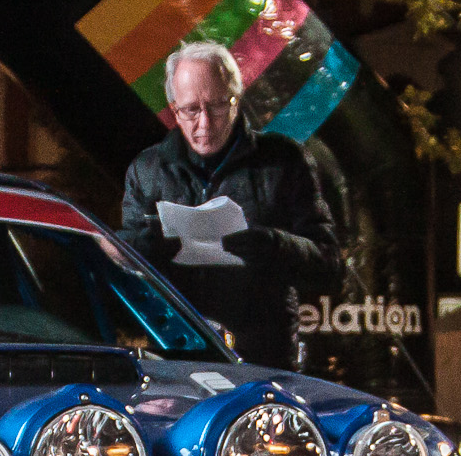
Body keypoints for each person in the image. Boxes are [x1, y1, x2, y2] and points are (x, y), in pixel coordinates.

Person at [119, 40, 342, 368]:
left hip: (262, 360)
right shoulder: (147, 170)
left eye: (217, 106)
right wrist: (142, 247)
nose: (205, 123)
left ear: (236, 99)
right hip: (177, 359)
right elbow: (123, 279)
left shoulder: (283, 162)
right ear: (174, 109)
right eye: (191, 110)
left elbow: (329, 266)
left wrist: (273, 245)